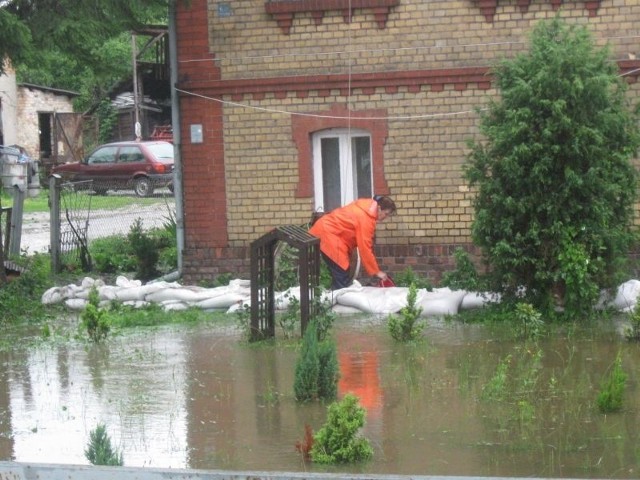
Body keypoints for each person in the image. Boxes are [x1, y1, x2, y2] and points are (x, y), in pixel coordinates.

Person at [309, 195, 397, 290]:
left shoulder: (364, 208)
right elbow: (365, 248)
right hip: (329, 236)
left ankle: (331, 298)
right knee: (341, 277)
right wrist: (377, 272)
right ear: (379, 208)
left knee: (341, 274)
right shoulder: (366, 219)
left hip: (326, 232)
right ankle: (337, 301)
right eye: (386, 214)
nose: (386, 217)